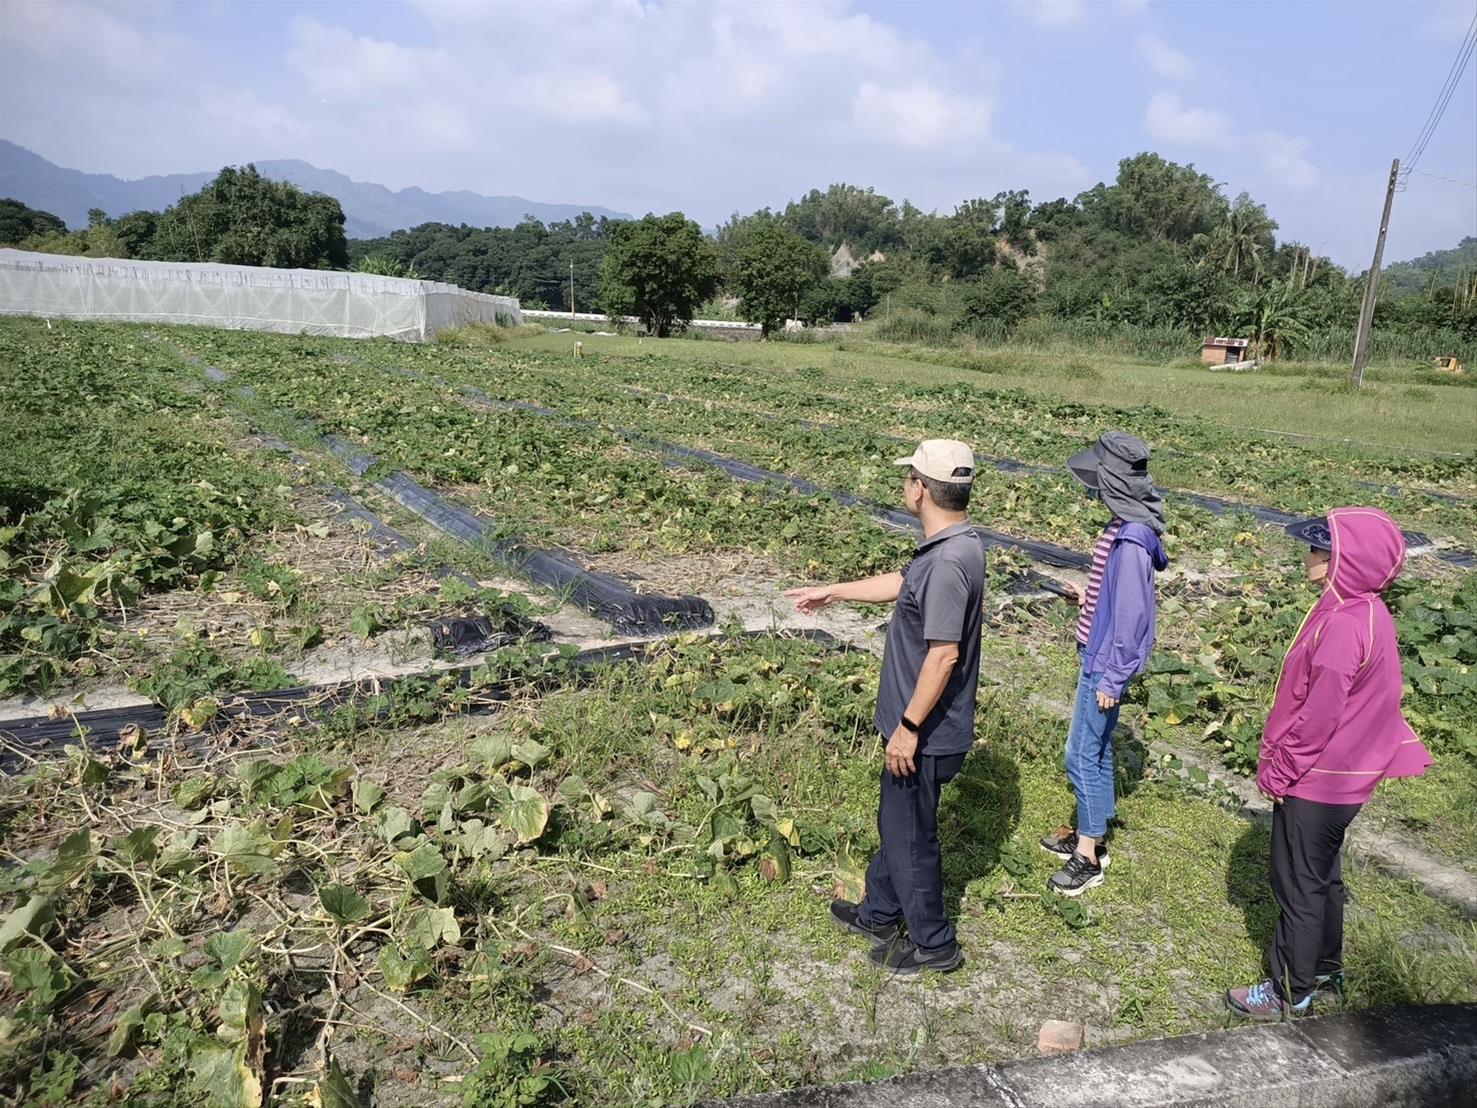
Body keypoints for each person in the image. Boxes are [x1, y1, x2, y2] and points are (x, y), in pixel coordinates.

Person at [785, 439, 984, 975]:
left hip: (924, 731)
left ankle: (935, 943)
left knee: (912, 836)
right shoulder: (955, 545)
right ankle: (878, 911)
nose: (906, 486)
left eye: (908, 478)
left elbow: (943, 657)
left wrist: (909, 727)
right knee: (897, 822)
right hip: (919, 724)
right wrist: (836, 591)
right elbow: (903, 584)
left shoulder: (947, 562)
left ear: (921, 489)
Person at [1227, 508, 1432, 1020]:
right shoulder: (1362, 609)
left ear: (1345, 561)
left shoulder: (1343, 625)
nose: (1310, 555)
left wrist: (1280, 769)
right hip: (1346, 778)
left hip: (1318, 779)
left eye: (1321, 550)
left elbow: (1319, 716)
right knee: (1322, 877)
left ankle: (1287, 989)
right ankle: (1323, 968)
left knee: (1296, 882)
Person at [1039, 432, 1168, 896]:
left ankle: (1088, 854)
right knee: (1098, 748)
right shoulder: (1122, 525)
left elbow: (1133, 617)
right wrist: (1088, 597)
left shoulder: (1132, 539)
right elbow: (1116, 598)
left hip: (1104, 662)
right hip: (1097, 649)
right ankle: (1093, 830)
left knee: (1080, 753)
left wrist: (1113, 677)